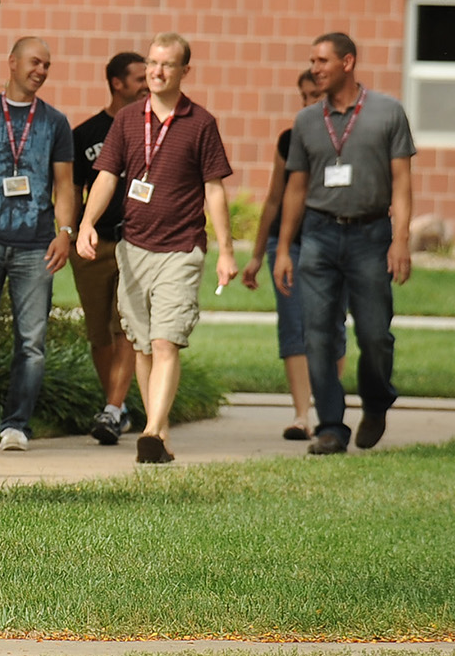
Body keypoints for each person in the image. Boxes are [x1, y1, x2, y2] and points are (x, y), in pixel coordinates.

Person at [77, 33, 236, 464]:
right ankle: (159, 433)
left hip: (181, 247)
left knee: (166, 341)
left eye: (167, 64)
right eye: (151, 63)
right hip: (134, 247)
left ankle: (149, 429)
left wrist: (225, 250)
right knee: (144, 345)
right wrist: (86, 224)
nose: (157, 72)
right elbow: (107, 176)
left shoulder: (200, 122)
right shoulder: (128, 119)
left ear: (185, 71)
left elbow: (214, 189)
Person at [275, 32, 416, 456]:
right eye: (312, 61)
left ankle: (376, 402)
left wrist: (401, 241)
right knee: (317, 334)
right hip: (318, 235)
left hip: (371, 234)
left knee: (374, 335)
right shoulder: (305, 122)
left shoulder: (387, 112)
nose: (314, 68)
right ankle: (332, 426)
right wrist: (284, 247)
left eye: (322, 61)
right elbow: (295, 189)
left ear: (348, 62)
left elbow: (403, 184)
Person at [0, 36, 77, 453]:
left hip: (36, 244)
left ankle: (17, 423)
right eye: (34, 62)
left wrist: (66, 233)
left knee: (32, 340)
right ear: (11, 62)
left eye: (47, 64)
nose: (41, 70)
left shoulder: (55, 123)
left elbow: (65, 184)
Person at [239, 71, 346, 441]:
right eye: (302, 97)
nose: (307, 103)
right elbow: (274, 198)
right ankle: (302, 414)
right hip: (289, 244)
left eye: (314, 95)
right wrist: (256, 254)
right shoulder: (290, 139)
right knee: (294, 327)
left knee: (332, 328)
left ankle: (328, 406)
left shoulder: (349, 137)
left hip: (338, 241)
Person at [71, 52, 148, 444]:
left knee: (127, 329)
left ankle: (114, 407)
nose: (146, 83)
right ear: (117, 82)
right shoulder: (84, 134)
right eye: (139, 77)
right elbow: (72, 191)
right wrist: (69, 231)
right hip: (95, 243)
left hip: (137, 241)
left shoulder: (151, 129)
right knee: (99, 332)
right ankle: (114, 407)